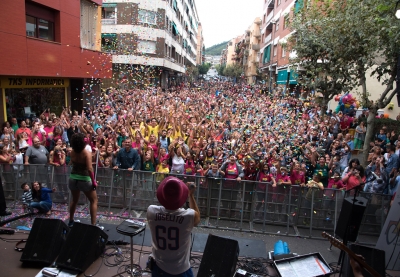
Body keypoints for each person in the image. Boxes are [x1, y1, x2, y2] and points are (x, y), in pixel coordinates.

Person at [147, 177, 200, 277]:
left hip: (159, 267)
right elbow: (197, 218)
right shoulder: (188, 216)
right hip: (180, 270)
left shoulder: (151, 211)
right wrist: (190, 195)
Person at [68, 133, 98, 227]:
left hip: (73, 178)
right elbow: (89, 168)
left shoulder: (72, 152)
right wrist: (94, 182)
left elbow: (71, 162)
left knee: (74, 200)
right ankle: (93, 224)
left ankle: (71, 220)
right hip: (84, 179)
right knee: (93, 200)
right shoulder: (86, 153)